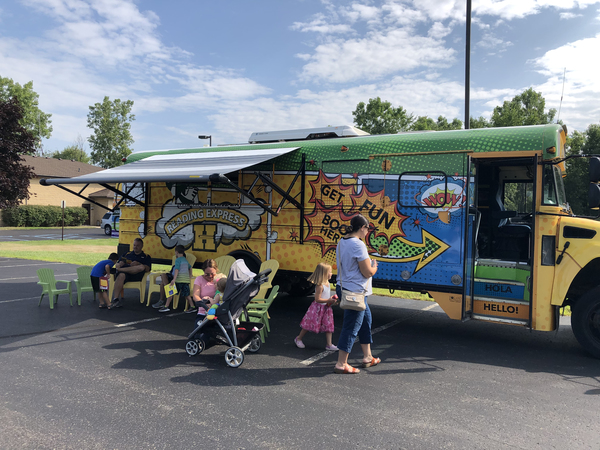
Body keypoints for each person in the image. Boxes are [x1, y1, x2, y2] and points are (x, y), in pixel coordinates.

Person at [333, 214, 379, 374]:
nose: (368, 232)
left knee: (366, 320)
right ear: (362, 228)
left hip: (344, 287)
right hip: (355, 292)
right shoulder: (358, 245)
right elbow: (367, 272)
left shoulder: (342, 241)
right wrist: (374, 267)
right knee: (351, 326)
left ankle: (368, 356)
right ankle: (341, 363)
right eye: (368, 229)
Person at [294, 263, 338, 351]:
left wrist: (332, 302)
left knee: (328, 325)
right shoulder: (320, 286)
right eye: (329, 272)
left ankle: (329, 344)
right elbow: (317, 299)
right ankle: (298, 338)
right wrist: (328, 300)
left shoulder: (327, 283)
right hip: (317, 309)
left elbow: (326, 297)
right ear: (324, 273)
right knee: (309, 324)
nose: (331, 273)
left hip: (326, 308)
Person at [109, 238, 152, 309]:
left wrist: (138, 263)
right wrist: (120, 264)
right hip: (125, 275)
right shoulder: (127, 254)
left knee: (141, 267)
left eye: (137, 245)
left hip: (136, 275)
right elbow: (117, 265)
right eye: (134, 245)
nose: (135, 247)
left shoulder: (146, 256)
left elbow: (147, 268)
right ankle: (115, 299)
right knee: (121, 275)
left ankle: (124, 270)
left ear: (142, 246)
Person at [158, 245, 193, 313]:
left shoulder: (178, 260)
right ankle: (192, 306)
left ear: (176, 252)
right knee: (187, 295)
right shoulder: (185, 260)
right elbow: (190, 267)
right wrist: (190, 276)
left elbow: (176, 269)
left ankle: (166, 306)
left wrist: (174, 279)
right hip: (185, 280)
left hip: (179, 280)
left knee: (171, 292)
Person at [192, 259, 219, 324]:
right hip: (203, 312)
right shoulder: (199, 279)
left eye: (212, 274)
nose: (210, 276)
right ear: (203, 271)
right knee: (198, 329)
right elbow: (195, 295)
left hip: (217, 312)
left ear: (216, 270)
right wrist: (204, 304)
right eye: (207, 274)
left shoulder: (219, 280)